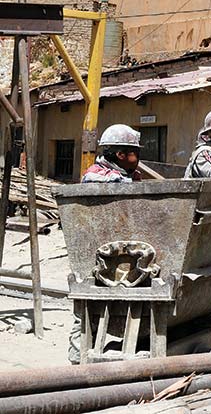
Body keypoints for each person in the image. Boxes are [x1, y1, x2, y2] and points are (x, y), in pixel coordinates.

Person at [69, 123, 142, 363]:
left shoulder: (127, 175)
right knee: (87, 308)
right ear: (121, 155)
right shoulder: (98, 176)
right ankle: (77, 358)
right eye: (135, 153)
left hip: (123, 251)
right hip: (98, 254)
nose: (138, 158)